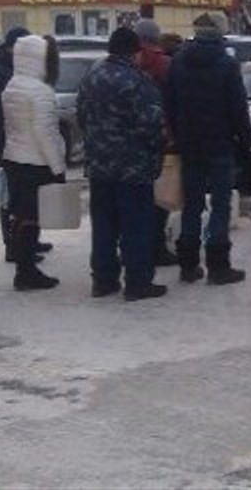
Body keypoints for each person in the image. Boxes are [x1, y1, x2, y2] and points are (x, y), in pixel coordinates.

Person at [78, 27, 167, 301]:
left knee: (103, 225)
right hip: (132, 166)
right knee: (136, 225)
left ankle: (103, 280)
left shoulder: (91, 77)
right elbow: (151, 124)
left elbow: (81, 116)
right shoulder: (136, 81)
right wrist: (157, 151)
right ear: (135, 51)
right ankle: (138, 282)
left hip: (99, 166)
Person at [164, 12, 250, 285]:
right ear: (221, 32)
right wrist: (244, 142)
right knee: (221, 205)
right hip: (220, 144)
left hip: (189, 144)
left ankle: (188, 265)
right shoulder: (226, 64)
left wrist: (178, 134)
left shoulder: (178, 62)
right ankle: (218, 264)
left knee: (192, 204)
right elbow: (238, 108)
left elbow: (169, 103)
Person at [0, 27, 52, 264]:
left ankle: (28, 241)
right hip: (10, 141)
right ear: (14, 47)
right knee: (13, 195)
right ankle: (13, 245)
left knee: (27, 197)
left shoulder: (13, 70)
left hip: (21, 140)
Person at [1, 34, 65, 291]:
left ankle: (23, 266)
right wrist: (57, 167)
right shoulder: (40, 91)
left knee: (22, 216)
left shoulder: (13, 85)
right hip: (36, 162)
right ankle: (26, 272)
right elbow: (45, 132)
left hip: (15, 158)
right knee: (32, 218)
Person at [134, 18, 179, 267]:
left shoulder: (130, 63)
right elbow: (175, 102)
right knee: (161, 197)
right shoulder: (166, 65)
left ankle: (135, 245)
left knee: (137, 197)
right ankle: (157, 246)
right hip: (164, 137)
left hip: (132, 142)